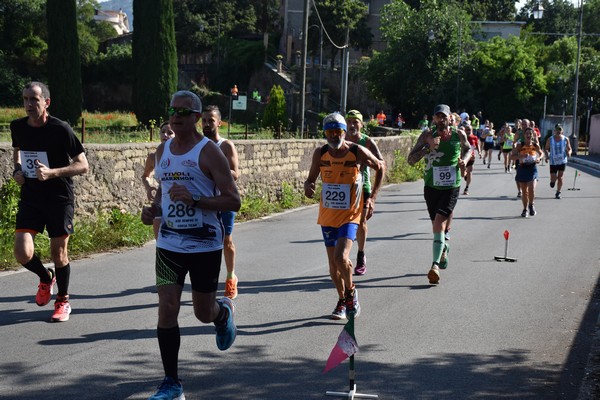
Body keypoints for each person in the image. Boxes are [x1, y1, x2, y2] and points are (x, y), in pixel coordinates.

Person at [141, 90, 241, 400]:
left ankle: (221, 313)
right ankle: (172, 382)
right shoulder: (162, 151)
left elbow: (233, 200)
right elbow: (163, 193)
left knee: (202, 313)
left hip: (204, 244)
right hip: (169, 243)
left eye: (183, 112)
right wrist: (153, 210)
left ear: (196, 118)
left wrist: (196, 200)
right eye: (172, 110)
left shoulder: (210, 152)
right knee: (167, 308)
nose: (175, 115)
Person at [10, 81, 89, 322]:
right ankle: (46, 277)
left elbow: (83, 165)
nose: (29, 104)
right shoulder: (18, 126)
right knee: (22, 252)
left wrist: (52, 173)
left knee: (59, 252)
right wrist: (17, 171)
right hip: (32, 197)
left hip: (59, 198)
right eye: (25, 99)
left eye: (34, 99)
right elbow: (17, 153)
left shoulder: (61, 129)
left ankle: (63, 301)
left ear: (46, 102)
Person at [304, 113, 384, 320]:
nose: (333, 136)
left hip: (351, 214)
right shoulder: (320, 153)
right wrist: (308, 186)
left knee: (341, 257)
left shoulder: (356, 151)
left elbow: (380, 166)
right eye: (329, 132)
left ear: (344, 132)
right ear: (324, 133)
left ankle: (351, 293)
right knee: (333, 267)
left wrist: (372, 198)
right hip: (328, 215)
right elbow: (310, 179)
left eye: (337, 132)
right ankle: (342, 300)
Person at [407, 104, 471, 285]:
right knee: (437, 225)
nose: (441, 120)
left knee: (439, 223)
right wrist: (427, 148)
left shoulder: (459, 134)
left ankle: (434, 266)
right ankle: (444, 247)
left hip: (452, 185)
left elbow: (468, 149)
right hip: (431, 186)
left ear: (450, 118)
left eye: (444, 116)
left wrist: (464, 161)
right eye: (438, 117)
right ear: (433, 119)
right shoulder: (427, 135)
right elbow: (411, 160)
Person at [202, 105, 241, 299]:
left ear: (219, 122)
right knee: (207, 242)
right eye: (204, 120)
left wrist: (216, 172)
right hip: (206, 202)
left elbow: (235, 173)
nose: (207, 124)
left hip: (224, 200)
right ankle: (207, 283)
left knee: (226, 241)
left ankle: (230, 278)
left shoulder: (226, 146)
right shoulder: (198, 145)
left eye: (211, 120)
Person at [345, 109, 385, 276]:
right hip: (344, 188)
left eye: (356, 122)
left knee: (361, 222)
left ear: (362, 124)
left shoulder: (367, 141)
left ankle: (360, 254)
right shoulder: (339, 139)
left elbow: (382, 164)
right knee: (343, 223)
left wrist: (373, 198)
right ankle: (343, 258)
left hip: (363, 187)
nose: (352, 125)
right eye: (349, 121)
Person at [142, 122, 176, 238]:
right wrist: (148, 187)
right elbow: (145, 175)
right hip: (160, 202)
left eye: (170, 133)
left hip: (179, 204)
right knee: (161, 243)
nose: (165, 135)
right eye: (162, 132)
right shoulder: (153, 157)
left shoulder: (182, 156)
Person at [512, 127, 542, 217]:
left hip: (532, 168)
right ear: (524, 135)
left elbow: (541, 153)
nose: (529, 135)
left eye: (530, 134)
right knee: (524, 191)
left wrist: (539, 158)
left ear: (532, 135)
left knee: (531, 188)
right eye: (527, 134)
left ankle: (531, 205)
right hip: (522, 168)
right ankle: (525, 209)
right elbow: (512, 157)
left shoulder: (535, 145)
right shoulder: (520, 145)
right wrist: (521, 156)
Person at [544, 124, 572, 199]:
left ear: (562, 131)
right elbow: (546, 148)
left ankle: (558, 192)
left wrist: (569, 152)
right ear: (554, 131)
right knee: (554, 178)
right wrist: (546, 156)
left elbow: (569, 148)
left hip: (562, 161)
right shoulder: (550, 139)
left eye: (560, 130)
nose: (558, 131)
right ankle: (552, 181)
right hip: (553, 161)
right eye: (557, 130)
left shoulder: (565, 139)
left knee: (560, 177)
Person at [463, 124, 480, 195]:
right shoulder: (462, 137)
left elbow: (477, 145)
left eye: (469, 130)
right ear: (464, 130)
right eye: (467, 129)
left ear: (472, 130)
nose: (468, 131)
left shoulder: (474, 137)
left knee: (470, 172)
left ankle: (466, 188)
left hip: (471, 157)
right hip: (462, 157)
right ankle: (465, 175)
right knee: (464, 172)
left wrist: (479, 152)